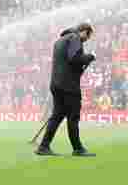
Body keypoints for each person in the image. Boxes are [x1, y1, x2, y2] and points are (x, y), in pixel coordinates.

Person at [36, 22, 97, 158]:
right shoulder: (75, 38)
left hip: (56, 84)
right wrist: (90, 57)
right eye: (87, 36)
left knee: (57, 116)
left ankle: (43, 146)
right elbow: (74, 58)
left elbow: (67, 61)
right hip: (69, 86)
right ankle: (78, 148)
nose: (86, 39)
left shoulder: (60, 40)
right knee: (73, 117)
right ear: (83, 31)